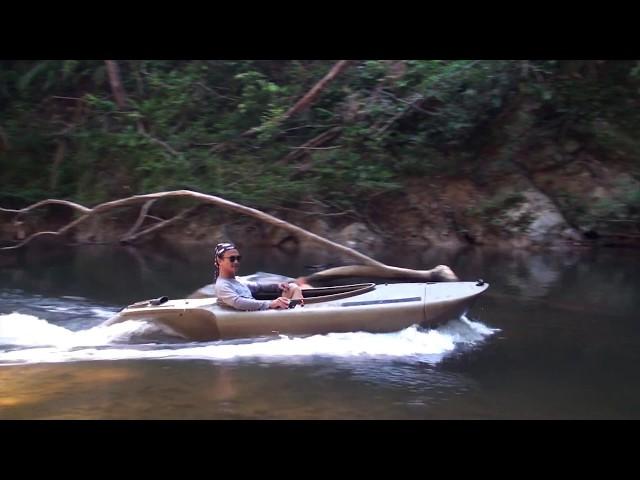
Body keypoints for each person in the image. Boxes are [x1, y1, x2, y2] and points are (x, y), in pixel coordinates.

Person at [213, 242, 310, 311]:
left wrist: (278, 286)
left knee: (293, 287)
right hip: (250, 316)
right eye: (232, 259)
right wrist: (271, 303)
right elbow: (238, 302)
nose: (236, 262)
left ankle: (297, 311)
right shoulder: (222, 285)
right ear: (220, 260)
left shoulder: (238, 280)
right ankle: (297, 314)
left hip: (258, 310)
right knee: (292, 292)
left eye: (238, 258)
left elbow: (258, 287)